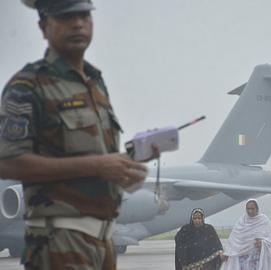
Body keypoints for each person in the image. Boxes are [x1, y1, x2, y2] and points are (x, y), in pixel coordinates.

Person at [0, 0, 157, 269]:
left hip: (103, 239)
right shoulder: (27, 87)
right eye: (65, 17)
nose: (77, 23)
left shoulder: (95, 85)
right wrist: (97, 165)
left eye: (84, 14)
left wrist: (126, 167)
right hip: (59, 243)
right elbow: (9, 162)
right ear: (43, 26)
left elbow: (96, 161)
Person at [223, 199, 271, 270]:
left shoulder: (263, 220)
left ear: (257, 209)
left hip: (256, 258)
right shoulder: (242, 221)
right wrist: (228, 252)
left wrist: (263, 243)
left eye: (252, 209)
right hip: (242, 258)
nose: (250, 211)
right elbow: (233, 239)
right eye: (248, 209)